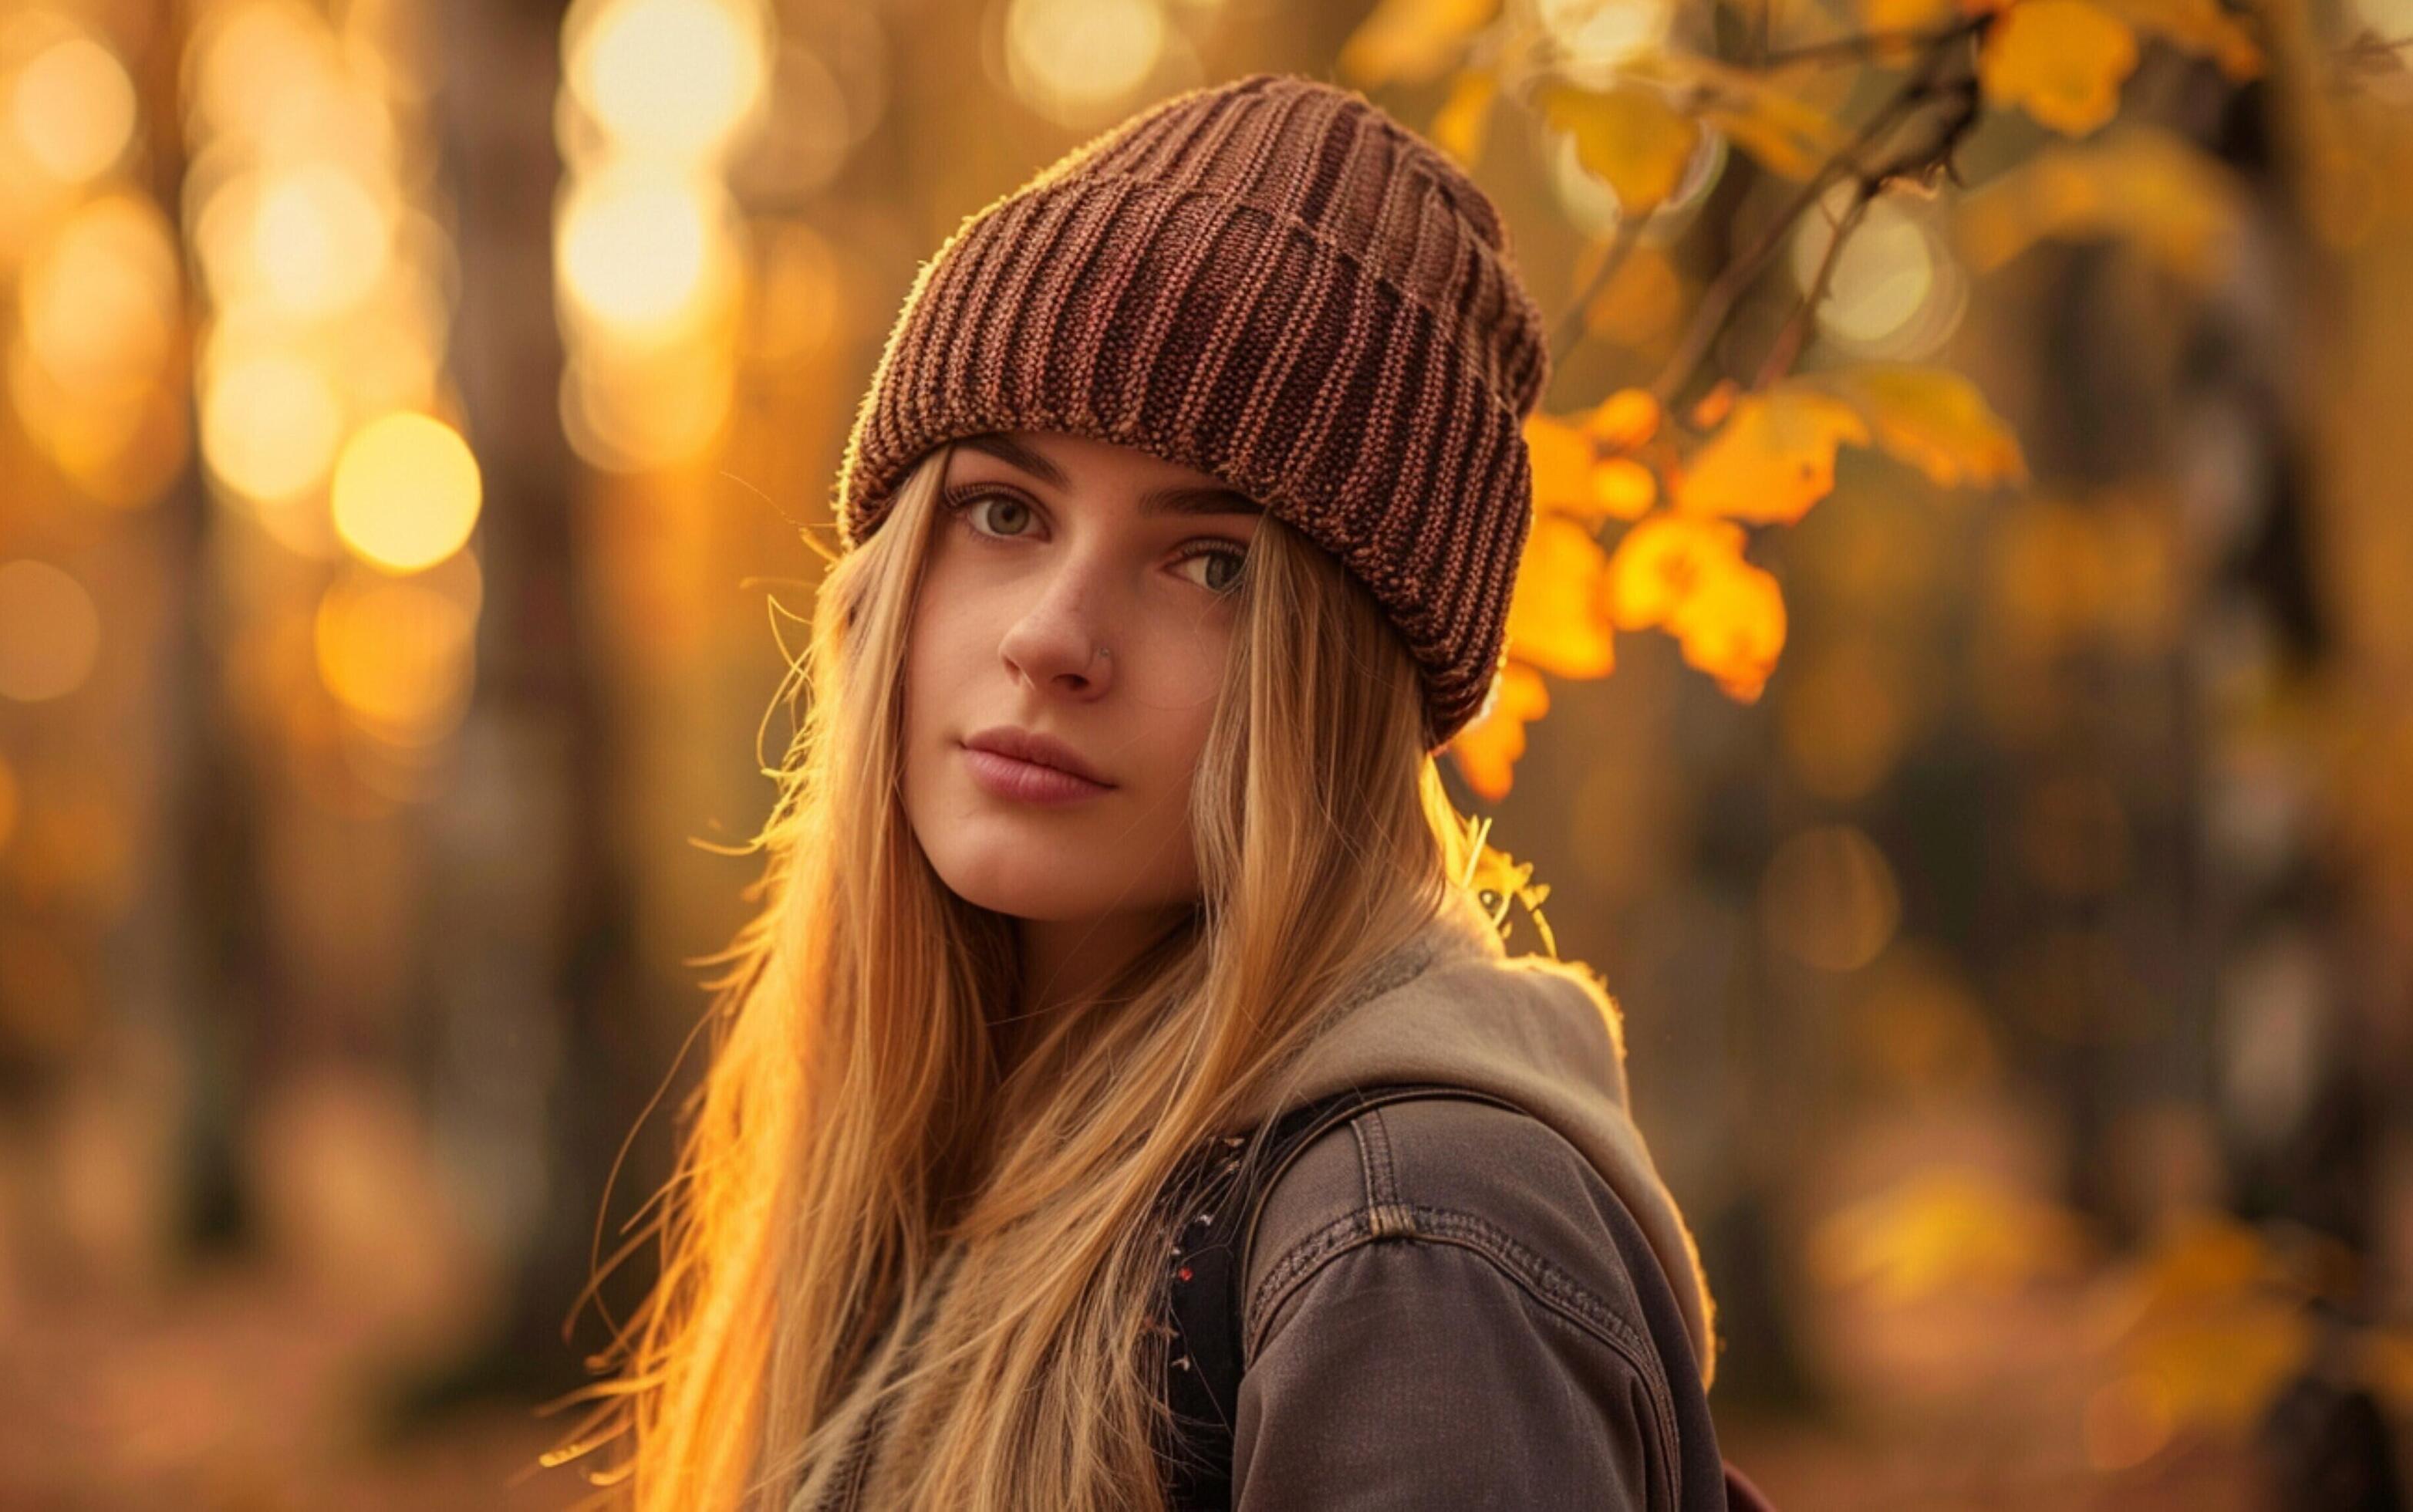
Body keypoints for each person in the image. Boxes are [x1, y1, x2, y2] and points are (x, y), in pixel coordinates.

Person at [553, 71, 1733, 1510]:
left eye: (1213, 566)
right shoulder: (957, 1159)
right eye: (1003, 511)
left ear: (1345, 695)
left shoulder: (1408, 1245)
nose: (1051, 637)